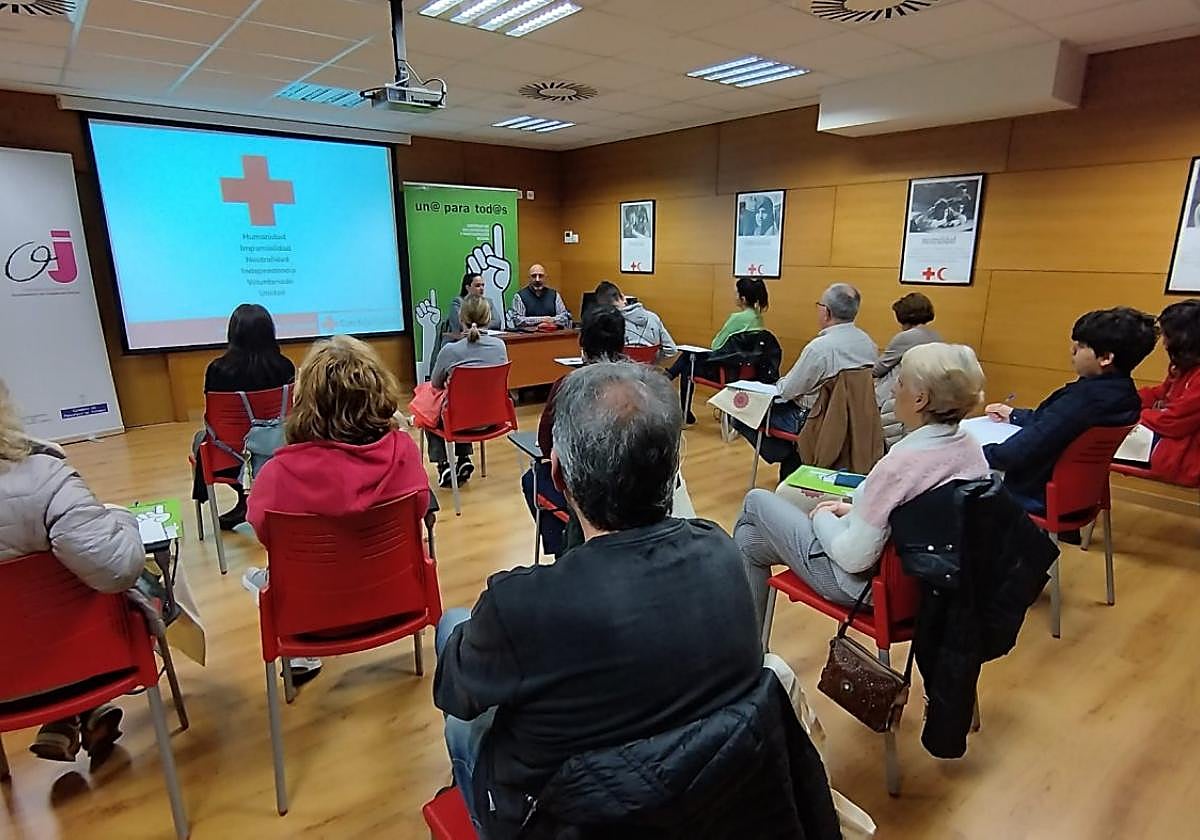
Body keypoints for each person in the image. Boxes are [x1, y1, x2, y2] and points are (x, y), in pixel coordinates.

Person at [433, 362, 766, 836]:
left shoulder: (521, 603)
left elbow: (454, 695)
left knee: (454, 639)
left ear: (559, 476)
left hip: (560, 819)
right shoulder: (722, 551)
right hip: (698, 798)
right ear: (673, 470)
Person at [736, 343, 991, 622]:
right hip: (927, 585)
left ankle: (744, 653)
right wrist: (858, 512)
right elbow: (915, 515)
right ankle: (749, 651)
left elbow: (853, 557)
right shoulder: (970, 449)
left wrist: (822, 517)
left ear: (920, 399)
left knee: (756, 500)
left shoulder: (901, 464)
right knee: (749, 542)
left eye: (900, 382)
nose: (893, 390)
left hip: (865, 587)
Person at [244, 336, 435, 686]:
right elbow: (420, 509)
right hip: (395, 603)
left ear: (305, 402)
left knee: (259, 577)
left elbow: (262, 532)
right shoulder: (404, 452)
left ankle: (299, 660)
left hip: (309, 620)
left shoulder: (276, 475)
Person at [0, 378, 144, 764]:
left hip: (7, 680)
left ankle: (66, 721)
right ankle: (82, 710)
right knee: (125, 579)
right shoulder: (45, 477)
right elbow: (117, 571)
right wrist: (123, 518)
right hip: (89, 664)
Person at [983, 307, 1158, 517]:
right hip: (1080, 494)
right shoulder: (1125, 395)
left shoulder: (1086, 400)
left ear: (1105, 358)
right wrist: (1013, 414)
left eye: (1080, 346)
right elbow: (1054, 423)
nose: (1072, 351)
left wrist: (969, 450)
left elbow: (1014, 454)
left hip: (1034, 493)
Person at [734, 283, 877, 481]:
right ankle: (795, 458)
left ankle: (788, 452)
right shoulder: (868, 343)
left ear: (826, 312)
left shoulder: (820, 349)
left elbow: (787, 391)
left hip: (810, 420)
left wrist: (779, 383)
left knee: (739, 410)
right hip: (852, 421)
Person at [520, 304, 626, 556]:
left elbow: (545, 443)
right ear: (622, 343)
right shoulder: (643, 383)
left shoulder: (567, 386)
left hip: (591, 495)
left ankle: (564, 554)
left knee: (533, 478)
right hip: (634, 491)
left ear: (582, 343)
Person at [192, 304, 295, 530]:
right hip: (277, 451)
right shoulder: (285, 366)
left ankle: (246, 501)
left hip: (230, 460)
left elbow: (212, 419)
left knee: (202, 438)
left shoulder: (218, 370)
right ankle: (254, 501)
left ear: (233, 334)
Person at [426, 295, 509, 488]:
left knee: (430, 407)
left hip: (458, 422)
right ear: (488, 318)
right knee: (464, 403)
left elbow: (435, 384)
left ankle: (444, 464)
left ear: (461, 318)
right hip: (493, 419)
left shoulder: (450, 350)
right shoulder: (500, 346)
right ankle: (464, 459)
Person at [667, 276, 769, 423]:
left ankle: (675, 392)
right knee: (688, 357)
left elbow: (716, 345)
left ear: (743, 298)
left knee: (688, 365)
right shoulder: (758, 319)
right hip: (745, 370)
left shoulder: (737, 318)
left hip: (726, 371)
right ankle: (669, 377)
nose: (735, 296)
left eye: (736, 293)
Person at [1136, 299, 1200, 486]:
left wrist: (1138, 414)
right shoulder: (1185, 367)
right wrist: (1128, 401)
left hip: (1189, 453)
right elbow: (1162, 394)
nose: (1164, 343)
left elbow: (1174, 420)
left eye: (1167, 336)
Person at [876, 292, 942, 448]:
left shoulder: (905, 337)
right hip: (920, 398)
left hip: (893, 398)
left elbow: (878, 369)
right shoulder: (935, 336)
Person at [592, 280, 677, 361]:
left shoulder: (607, 323)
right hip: (649, 373)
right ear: (623, 297)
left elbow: (599, 356)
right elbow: (672, 350)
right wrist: (651, 359)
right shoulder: (653, 317)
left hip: (619, 374)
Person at [509, 263, 571, 329]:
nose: (537, 279)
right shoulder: (519, 296)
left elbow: (564, 318)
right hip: (529, 337)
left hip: (553, 335)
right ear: (529, 278)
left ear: (545, 277)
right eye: (534, 276)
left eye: (540, 276)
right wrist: (544, 319)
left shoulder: (555, 295)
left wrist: (547, 322)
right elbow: (518, 321)